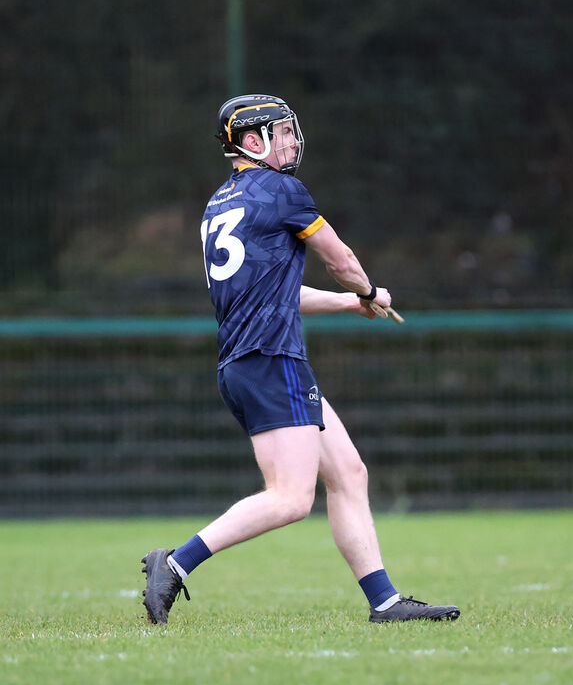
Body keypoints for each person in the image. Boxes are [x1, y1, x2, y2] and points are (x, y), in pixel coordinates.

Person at [141, 94, 460, 624]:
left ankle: (385, 602)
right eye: (281, 131)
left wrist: (350, 302)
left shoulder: (221, 201)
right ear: (251, 141)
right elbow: (342, 259)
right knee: (291, 499)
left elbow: (277, 292)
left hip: (249, 362)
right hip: (271, 360)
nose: (291, 140)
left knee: (349, 472)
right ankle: (175, 563)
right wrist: (368, 287)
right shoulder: (283, 190)